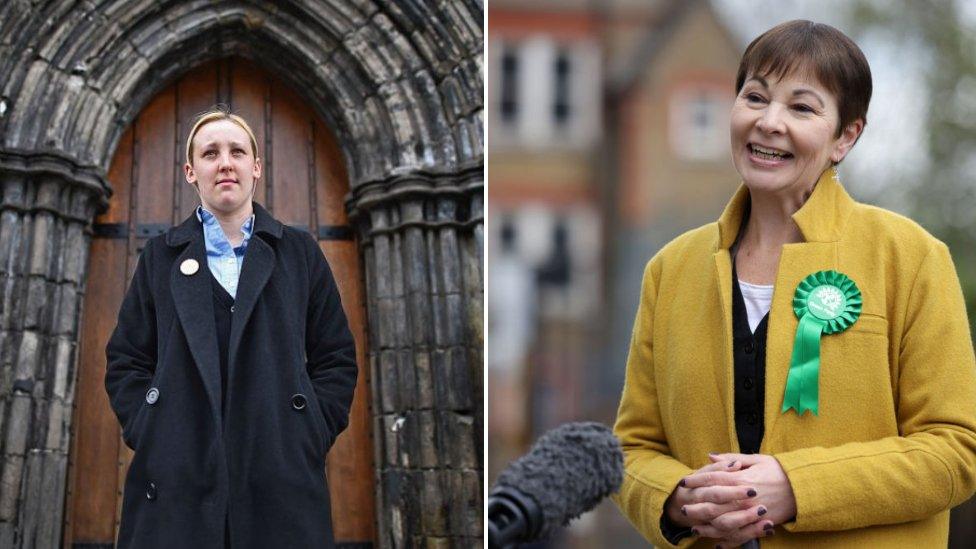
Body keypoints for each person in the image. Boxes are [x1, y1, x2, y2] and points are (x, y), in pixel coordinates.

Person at [612, 20, 976, 548]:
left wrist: (795, 487)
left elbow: (956, 450)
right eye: (755, 97)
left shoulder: (911, 258)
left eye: (801, 108)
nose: (769, 122)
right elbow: (632, 449)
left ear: (845, 136)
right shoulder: (669, 270)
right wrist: (677, 499)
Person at [105, 108, 357, 548]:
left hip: (278, 475)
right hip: (177, 475)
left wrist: (308, 431)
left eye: (237, 151)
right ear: (191, 171)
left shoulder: (300, 254)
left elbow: (335, 356)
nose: (225, 162)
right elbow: (126, 359)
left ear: (255, 167)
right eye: (210, 153)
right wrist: (151, 427)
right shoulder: (159, 259)